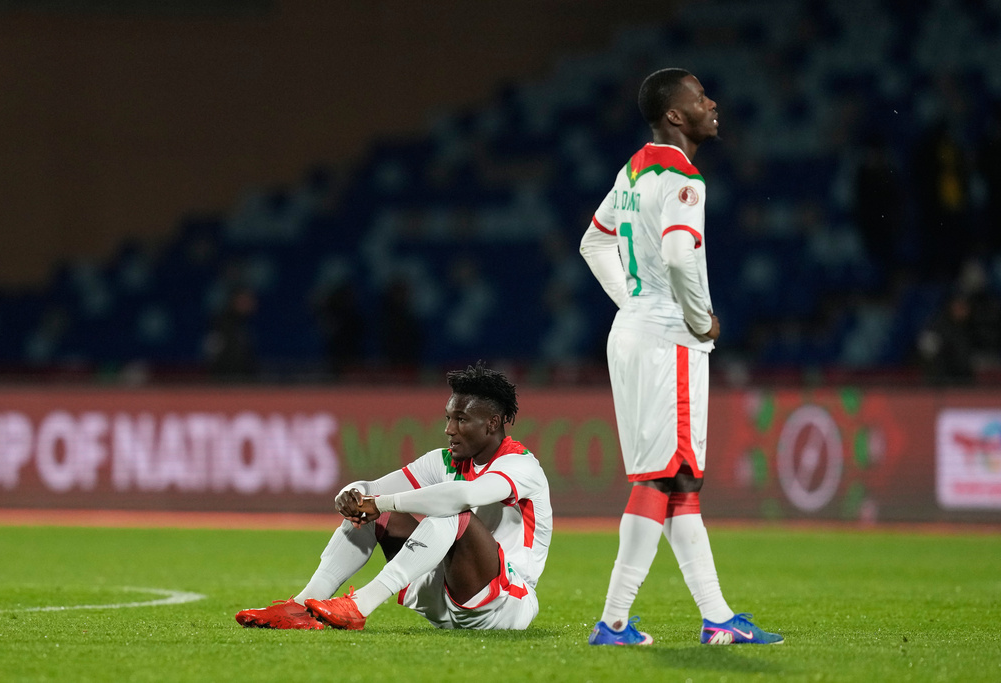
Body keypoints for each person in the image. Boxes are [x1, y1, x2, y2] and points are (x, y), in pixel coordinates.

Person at [578, 68, 782, 646]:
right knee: (661, 477)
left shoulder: (633, 169)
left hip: (634, 332)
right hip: (669, 340)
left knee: (677, 480)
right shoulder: (683, 176)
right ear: (675, 115)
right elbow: (676, 254)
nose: (712, 103)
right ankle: (613, 620)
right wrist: (699, 319)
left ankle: (716, 617)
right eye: (699, 98)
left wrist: (632, 301)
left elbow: (593, 242)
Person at [235, 361, 552, 631]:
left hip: (504, 603)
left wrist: (382, 502)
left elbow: (462, 494)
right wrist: (351, 495)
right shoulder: (441, 460)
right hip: (443, 596)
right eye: (448, 418)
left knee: (452, 511)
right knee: (370, 508)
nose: (449, 429)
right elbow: (372, 489)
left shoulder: (520, 465)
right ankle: (302, 608)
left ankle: (360, 605)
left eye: (462, 420)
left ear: (492, 424)